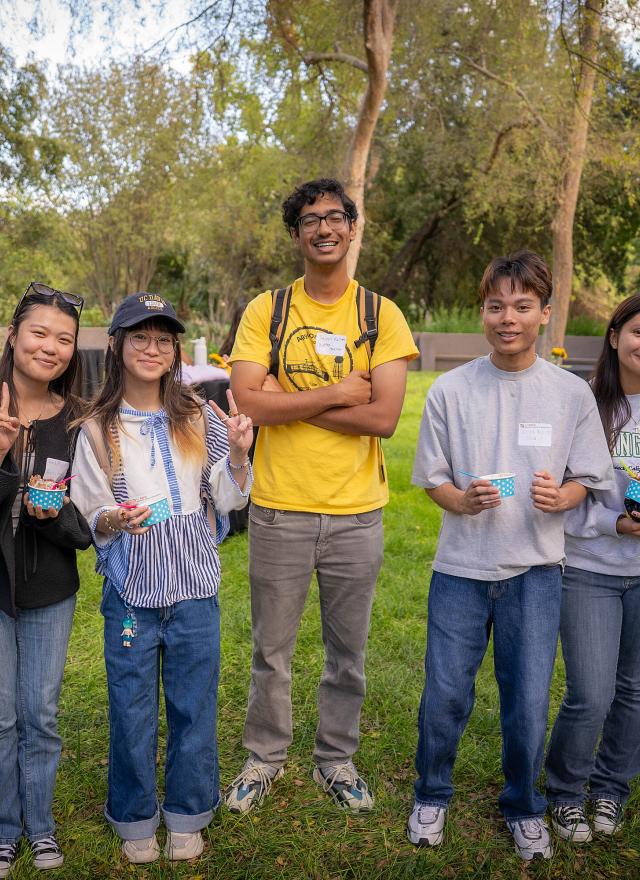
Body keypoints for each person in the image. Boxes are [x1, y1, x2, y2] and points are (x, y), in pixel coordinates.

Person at [408, 251, 614, 861]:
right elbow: (431, 479)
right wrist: (460, 502)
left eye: (523, 306)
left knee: (527, 700)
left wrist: (564, 495)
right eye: (497, 305)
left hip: (537, 572)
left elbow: (588, 478)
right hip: (460, 572)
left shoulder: (571, 394)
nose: (508, 318)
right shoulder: (450, 389)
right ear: (483, 312)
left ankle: (524, 805)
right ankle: (431, 792)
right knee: (445, 693)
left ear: (545, 314)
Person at [225, 177, 419, 814]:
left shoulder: (379, 315)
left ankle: (335, 759)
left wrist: (288, 404)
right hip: (279, 508)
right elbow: (248, 401)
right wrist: (337, 394)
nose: (325, 228)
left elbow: (385, 418)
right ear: (296, 235)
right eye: (311, 220)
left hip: (357, 513)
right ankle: (265, 758)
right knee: (270, 650)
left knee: (348, 653)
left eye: (336, 217)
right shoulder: (267, 310)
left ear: (352, 228)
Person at [70, 292, 253, 865]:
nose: (153, 349)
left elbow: (224, 496)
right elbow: (92, 508)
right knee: (130, 704)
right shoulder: (96, 428)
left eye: (164, 339)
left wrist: (242, 455)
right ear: (118, 346)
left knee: (194, 703)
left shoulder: (199, 415)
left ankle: (188, 813)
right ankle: (133, 815)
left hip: (195, 588)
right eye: (140, 338)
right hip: (132, 591)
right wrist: (114, 518)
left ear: (175, 351)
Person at [0, 282, 92, 877]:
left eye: (64, 339)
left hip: (48, 588)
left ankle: (41, 827)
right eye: (39, 332)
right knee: (1, 716)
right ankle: (6, 831)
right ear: (13, 336)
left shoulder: (81, 421)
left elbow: (87, 527)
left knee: (40, 714)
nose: (50, 347)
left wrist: (51, 512)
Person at [545, 293, 640, 842]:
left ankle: (610, 788)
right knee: (591, 692)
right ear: (614, 336)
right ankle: (564, 792)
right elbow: (563, 494)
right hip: (589, 569)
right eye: (637, 332)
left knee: (634, 690)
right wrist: (614, 525)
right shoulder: (583, 403)